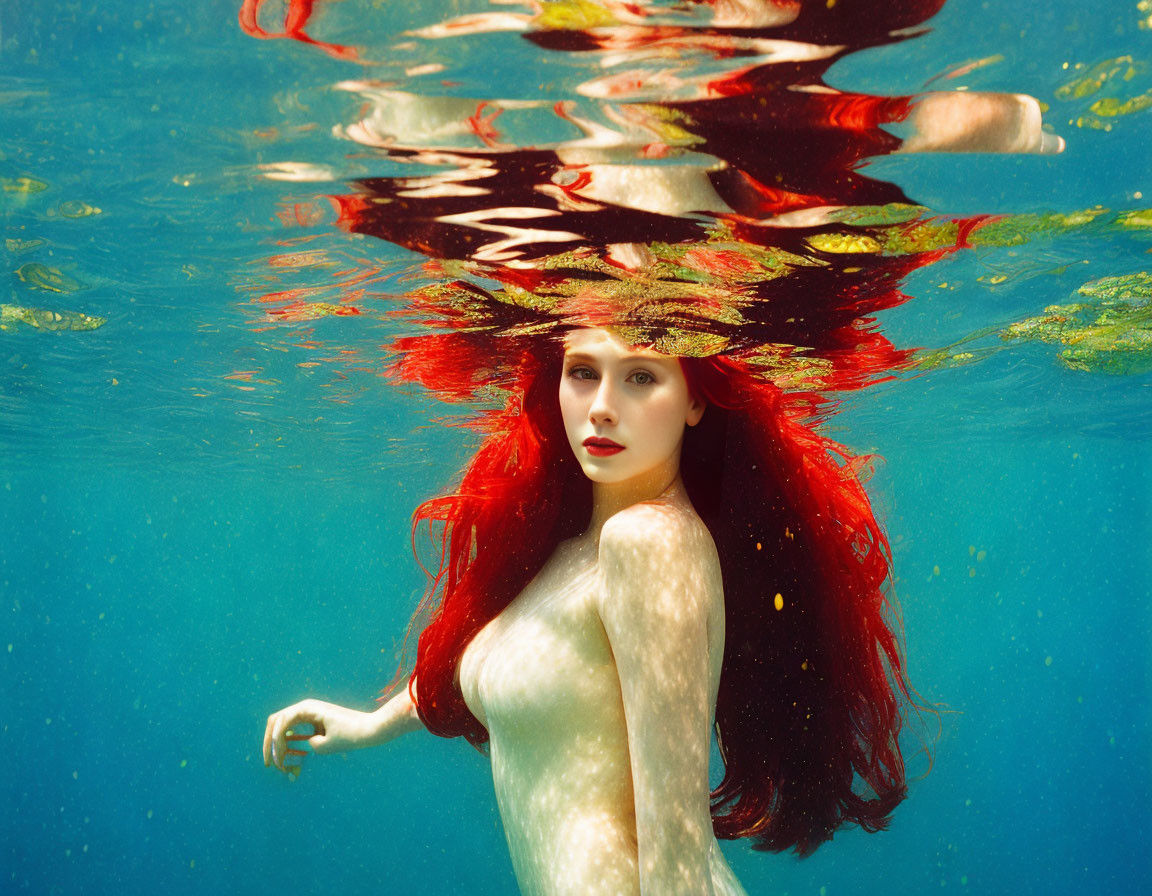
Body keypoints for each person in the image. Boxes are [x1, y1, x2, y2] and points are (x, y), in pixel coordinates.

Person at [264, 324, 915, 895]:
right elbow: (516, 659)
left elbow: (677, 850)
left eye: (640, 376)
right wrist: (369, 724)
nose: (602, 407)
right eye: (583, 372)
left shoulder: (649, 545)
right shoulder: (578, 542)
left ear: (695, 397)